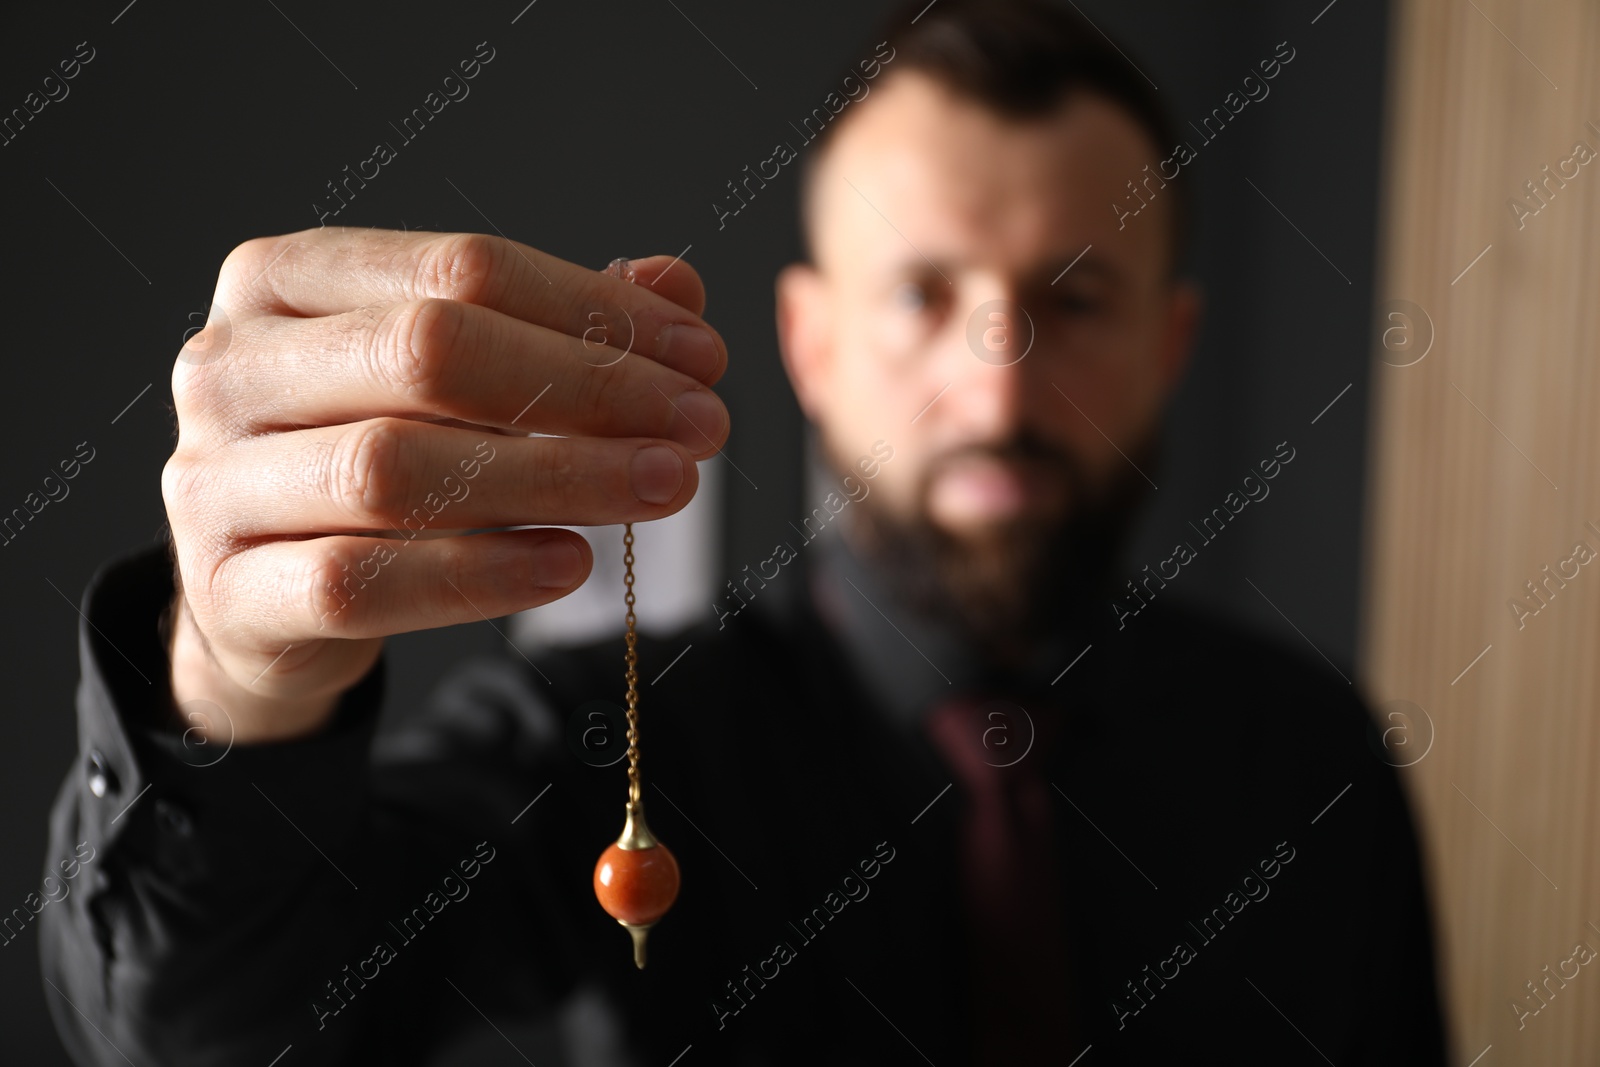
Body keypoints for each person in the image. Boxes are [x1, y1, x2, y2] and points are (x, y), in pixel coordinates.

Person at [41, 1, 1448, 1064]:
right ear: (809, 340)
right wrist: (233, 686)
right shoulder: (608, 749)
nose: (1000, 376)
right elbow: (214, 1027)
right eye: (920, 295)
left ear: (1170, 344)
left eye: (1074, 297)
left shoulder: (1315, 769)